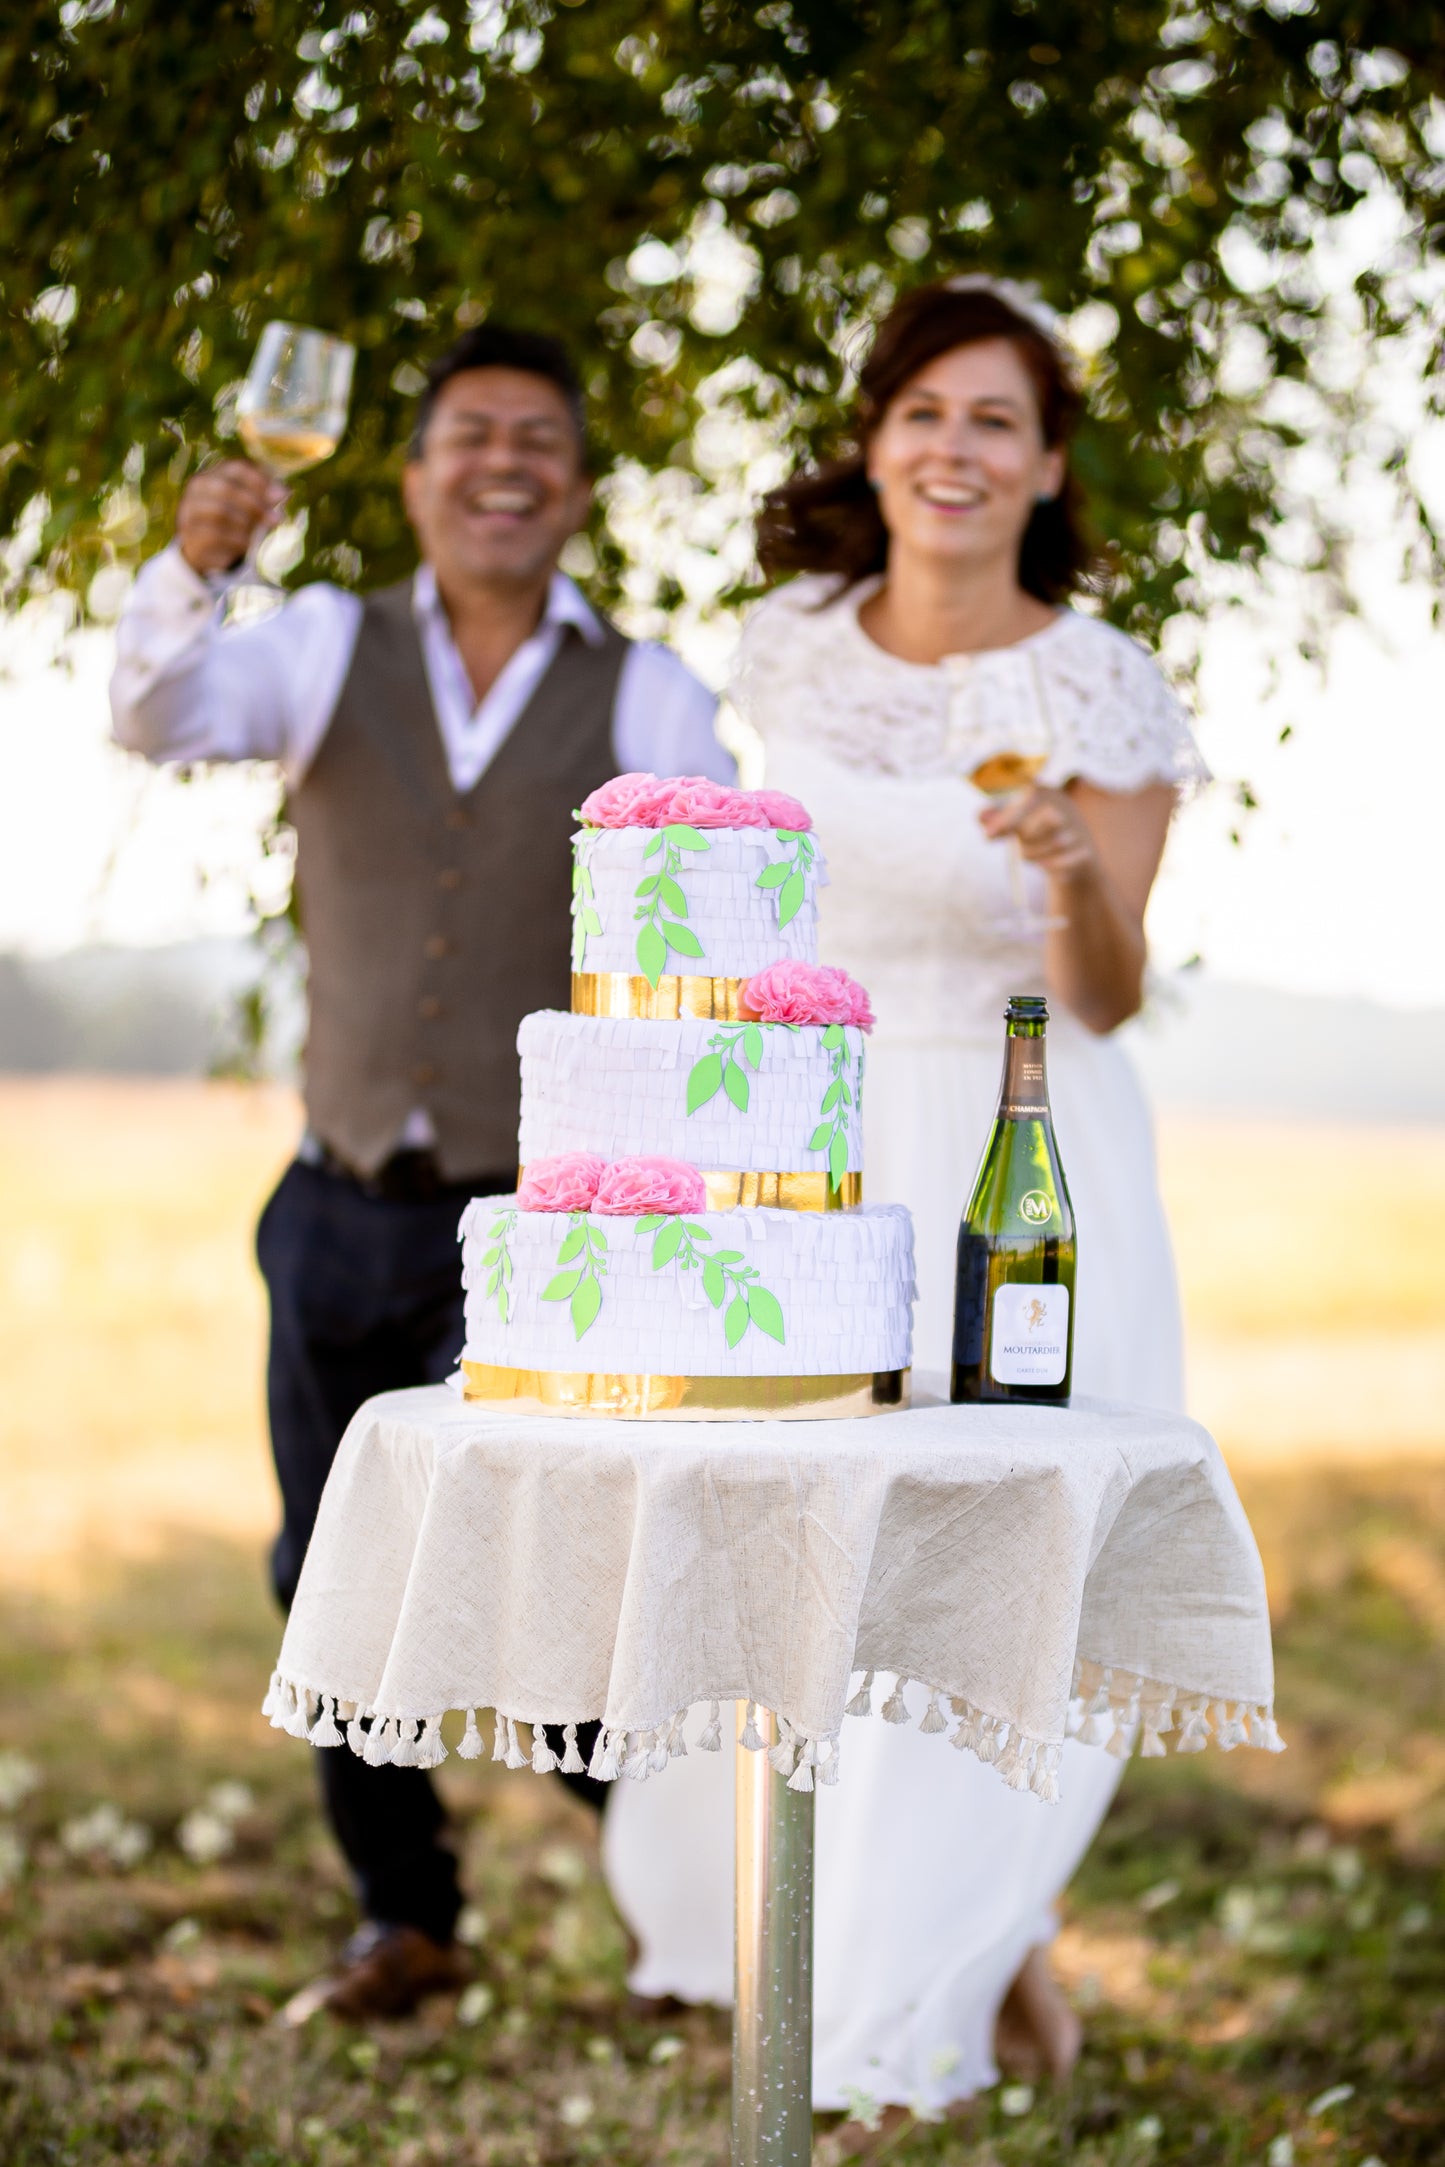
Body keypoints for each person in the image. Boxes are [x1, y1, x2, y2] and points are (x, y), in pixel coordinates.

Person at [601, 278, 1207, 2122]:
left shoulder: (1098, 682)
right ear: (876, 438)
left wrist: (1056, 879)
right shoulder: (786, 649)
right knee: (806, 1546)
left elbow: (1106, 988)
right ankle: (882, 1942)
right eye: (924, 411)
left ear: (1045, 465)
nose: (954, 447)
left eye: (996, 420)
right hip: (812, 1141)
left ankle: (905, 1990)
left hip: (1026, 1142)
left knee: (986, 1554)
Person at [110, 324, 733, 2022]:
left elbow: (721, 946)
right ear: (410, 475)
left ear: (583, 488)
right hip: (335, 1198)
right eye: (469, 434)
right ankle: (408, 1921)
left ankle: (705, 1902)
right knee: (325, 1572)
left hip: (549, 1224)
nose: (503, 463)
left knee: (560, 1596)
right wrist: (194, 567)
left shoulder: (656, 692)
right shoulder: (315, 644)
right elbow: (156, 713)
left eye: (539, 437)